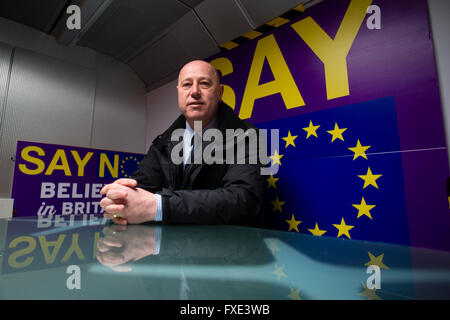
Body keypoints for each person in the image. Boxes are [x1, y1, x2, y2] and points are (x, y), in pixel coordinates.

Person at [100, 60, 266, 226]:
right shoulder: (162, 143)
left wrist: (159, 206)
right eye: (187, 84)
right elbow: (142, 187)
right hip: (169, 247)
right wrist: (122, 199)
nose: (194, 91)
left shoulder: (248, 136)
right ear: (179, 92)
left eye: (204, 84)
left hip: (224, 247)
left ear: (220, 92)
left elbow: (245, 200)